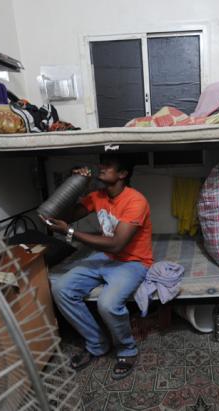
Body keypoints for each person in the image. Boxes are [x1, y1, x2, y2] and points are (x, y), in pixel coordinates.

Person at [44, 153, 152, 380]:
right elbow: (65, 215)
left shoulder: (136, 201)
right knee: (61, 288)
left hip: (132, 262)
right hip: (105, 259)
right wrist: (74, 184)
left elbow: (116, 244)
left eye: (109, 166)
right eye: (101, 164)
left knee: (108, 303)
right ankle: (97, 343)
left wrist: (70, 233)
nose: (101, 168)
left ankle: (127, 350)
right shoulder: (97, 196)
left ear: (123, 174)